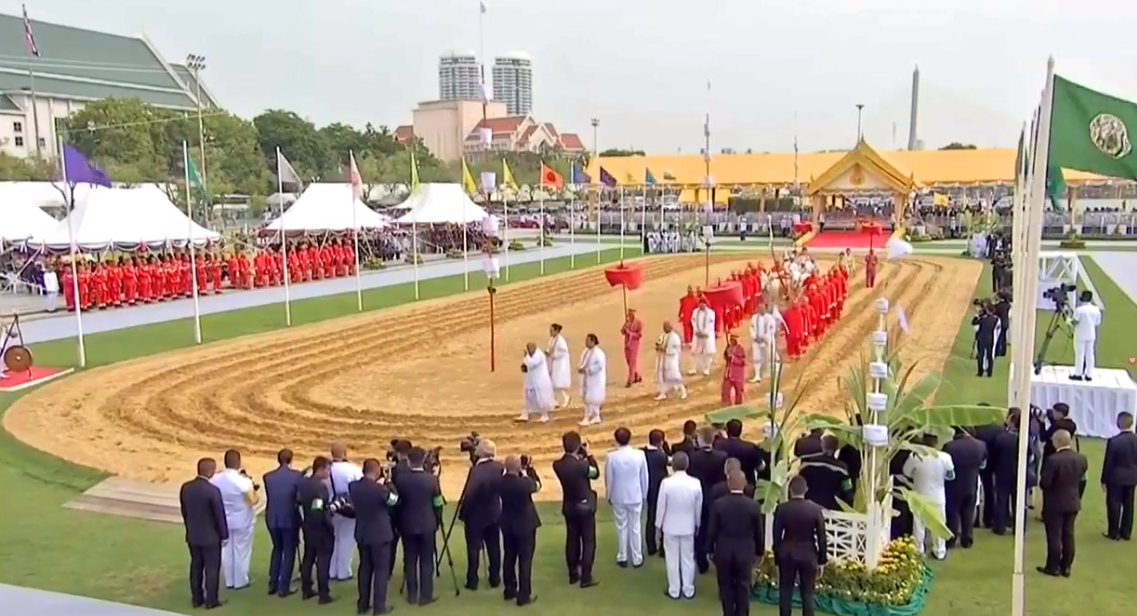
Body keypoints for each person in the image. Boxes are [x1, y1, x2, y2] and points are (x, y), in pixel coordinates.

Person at [706, 469, 762, 616]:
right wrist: (759, 552)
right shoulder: (753, 505)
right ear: (744, 484)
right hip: (745, 552)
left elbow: (712, 530)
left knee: (726, 586)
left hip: (724, 550)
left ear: (728, 484)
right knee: (744, 585)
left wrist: (709, 550)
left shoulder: (719, 504)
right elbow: (758, 532)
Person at [393, 446, 443, 605]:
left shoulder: (401, 480)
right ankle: (426, 595)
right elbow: (438, 502)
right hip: (428, 524)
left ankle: (412, 594)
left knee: (410, 560)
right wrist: (437, 519)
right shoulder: (432, 480)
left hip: (407, 524)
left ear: (408, 461)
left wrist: (397, 521)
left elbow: (396, 503)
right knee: (427, 560)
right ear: (423, 461)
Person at [772, 475, 827, 616]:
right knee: (807, 594)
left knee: (785, 592)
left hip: (787, 554)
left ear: (790, 490)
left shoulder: (782, 509)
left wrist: (777, 558)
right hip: (808, 554)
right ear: (806, 490)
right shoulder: (815, 510)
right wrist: (822, 560)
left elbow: (776, 536)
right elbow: (822, 537)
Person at [348, 458, 397, 615]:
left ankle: (362, 604)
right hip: (380, 535)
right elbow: (394, 501)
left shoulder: (353, 487)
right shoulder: (380, 490)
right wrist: (389, 482)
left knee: (365, 568)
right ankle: (379, 606)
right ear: (377, 471)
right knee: (381, 571)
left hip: (362, 533)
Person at [553, 431, 600, 588]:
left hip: (569, 507)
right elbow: (595, 473)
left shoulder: (558, 465)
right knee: (588, 541)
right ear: (578, 445)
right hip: (585, 507)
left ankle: (573, 574)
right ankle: (586, 576)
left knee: (572, 540)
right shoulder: (583, 465)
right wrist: (589, 455)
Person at [1038, 429, 1088, 577]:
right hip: (1073, 501)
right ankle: (1066, 566)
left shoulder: (1052, 460)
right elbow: (1081, 480)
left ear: (1057, 442)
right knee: (1068, 534)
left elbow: (1045, 483)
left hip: (1055, 503)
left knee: (1054, 535)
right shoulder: (1081, 459)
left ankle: (1053, 566)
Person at [180, 457, 228, 609]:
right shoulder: (212, 491)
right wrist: (224, 535)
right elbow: (219, 515)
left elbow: (184, 511)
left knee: (196, 566)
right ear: (211, 471)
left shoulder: (186, 488)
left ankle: (197, 598)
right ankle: (211, 600)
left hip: (193, 535)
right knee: (212, 568)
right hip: (211, 537)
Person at [655, 452, 703, 600]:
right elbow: (698, 507)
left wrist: (658, 526)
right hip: (688, 526)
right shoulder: (695, 483)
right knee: (688, 558)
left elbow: (661, 507)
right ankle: (688, 589)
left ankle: (674, 590)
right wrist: (697, 523)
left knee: (672, 559)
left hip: (670, 527)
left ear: (673, 465)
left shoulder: (666, 483)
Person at [458, 440, 504, 591]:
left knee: (473, 548)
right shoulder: (499, 467)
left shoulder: (476, 470)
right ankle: (495, 578)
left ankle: (472, 580)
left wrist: (463, 512)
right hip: (494, 513)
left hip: (476, 515)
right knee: (494, 547)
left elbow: (470, 494)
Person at [211, 449, 258, 590]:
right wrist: (254, 490)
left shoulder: (215, 479)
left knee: (227, 551)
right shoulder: (243, 481)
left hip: (224, 520)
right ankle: (241, 581)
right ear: (238, 463)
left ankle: (230, 580)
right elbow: (252, 501)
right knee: (241, 551)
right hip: (242, 520)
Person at [903, 434, 955, 560]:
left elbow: (906, 472)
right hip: (938, 496)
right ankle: (940, 551)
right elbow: (951, 476)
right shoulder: (945, 457)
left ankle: (918, 551)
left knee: (918, 524)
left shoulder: (915, 456)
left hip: (920, 494)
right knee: (938, 523)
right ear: (936, 443)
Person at [605, 427, 649, 568]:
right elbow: (644, 477)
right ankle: (637, 557)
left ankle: (623, 556)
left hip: (618, 495)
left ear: (616, 440)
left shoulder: (611, 457)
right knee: (635, 526)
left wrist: (609, 495)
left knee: (621, 526)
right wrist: (644, 494)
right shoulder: (639, 455)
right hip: (635, 495)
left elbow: (609, 479)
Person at [500, 455, 541, 606]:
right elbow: (537, 485)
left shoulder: (500, 482)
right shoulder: (524, 483)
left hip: (507, 524)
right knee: (525, 561)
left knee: (509, 557)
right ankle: (524, 595)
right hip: (525, 525)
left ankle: (509, 590)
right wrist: (528, 470)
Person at [263, 448, 303, 597]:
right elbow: (298, 497)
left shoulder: (268, 477)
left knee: (277, 549)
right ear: (291, 459)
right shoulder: (297, 476)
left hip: (272, 517)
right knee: (288, 550)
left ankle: (273, 583)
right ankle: (284, 587)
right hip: (289, 518)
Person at [688, 427, 728, 574]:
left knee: (700, 529)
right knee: (717, 528)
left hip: (698, 496)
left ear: (700, 440)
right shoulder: (722, 456)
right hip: (716, 497)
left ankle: (701, 561)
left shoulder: (693, 457)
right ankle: (716, 556)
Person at [298, 456, 336, 604]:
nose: (328, 473)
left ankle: (306, 589)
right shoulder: (320, 488)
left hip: (308, 526)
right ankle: (323, 594)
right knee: (323, 561)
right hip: (320, 528)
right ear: (320, 469)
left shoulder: (305, 484)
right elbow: (318, 509)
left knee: (308, 558)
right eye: (327, 469)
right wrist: (328, 520)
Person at [943, 428, 987, 549]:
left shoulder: (949, 446)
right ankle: (967, 538)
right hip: (971, 482)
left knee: (953, 512)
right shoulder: (981, 445)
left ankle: (951, 538)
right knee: (968, 511)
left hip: (954, 484)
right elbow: (983, 465)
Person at [329, 444, 364, 582]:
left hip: (331, 508)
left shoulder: (327, 468)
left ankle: (332, 570)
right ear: (345, 453)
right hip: (348, 508)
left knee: (334, 539)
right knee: (346, 539)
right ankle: (343, 571)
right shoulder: (353, 469)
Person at [1103, 411, 1137, 540]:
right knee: (1129, 506)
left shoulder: (1114, 441)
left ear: (1119, 423)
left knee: (1114, 504)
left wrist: (1104, 479)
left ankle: (1114, 532)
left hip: (1115, 478)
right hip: (1132, 477)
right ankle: (1126, 532)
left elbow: (1109, 462)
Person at [991, 411, 1027, 535]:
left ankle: (1000, 526)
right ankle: (1019, 527)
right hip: (1019, 472)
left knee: (1002, 499)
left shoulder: (1002, 438)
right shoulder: (1024, 438)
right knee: (1018, 500)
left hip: (1003, 471)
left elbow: (994, 455)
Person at [798, 436, 854, 510]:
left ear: (822, 445)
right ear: (836, 448)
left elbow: (799, 485)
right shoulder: (842, 469)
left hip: (809, 508)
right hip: (831, 510)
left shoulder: (806, 464)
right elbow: (848, 492)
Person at [643, 429, 671, 557]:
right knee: (664, 517)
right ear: (661, 441)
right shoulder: (661, 456)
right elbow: (670, 461)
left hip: (649, 489)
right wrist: (666, 449)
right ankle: (663, 548)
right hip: (660, 489)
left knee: (651, 517)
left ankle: (651, 546)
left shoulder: (643, 453)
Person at [715, 419, 764, 487]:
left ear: (727, 431)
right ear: (740, 431)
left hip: (725, 485)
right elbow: (761, 467)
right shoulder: (750, 447)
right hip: (748, 485)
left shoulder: (718, 445)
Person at [519, 342, 555, 422]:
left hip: (539, 381)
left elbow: (532, 364)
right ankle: (525, 414)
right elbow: (526, 365)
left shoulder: (539, 355)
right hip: (531, 381)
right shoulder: (530, 356)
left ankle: (544, 415)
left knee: (541, 399)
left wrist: (526, 356)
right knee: (528, 397)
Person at [1070, 290, 1102, 381]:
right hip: (1091, 334)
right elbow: (1097, 322)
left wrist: (1069, 321)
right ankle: (1089, 374)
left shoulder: (1079, 310)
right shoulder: (1096, 309)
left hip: (1080, 335)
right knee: (1090, 354)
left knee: (1080, 354)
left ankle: (1078, 373)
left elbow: (1075, 322)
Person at [578, 333, 607, 426]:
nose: (586, 342)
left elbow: (599, 366)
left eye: (588, 340)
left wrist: (587, 370)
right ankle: (593, 416)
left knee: (593, 399)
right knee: (588, 399)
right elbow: (583, 362)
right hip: (587, 379)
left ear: (593, 341)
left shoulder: (599, 353)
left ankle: (590, 417)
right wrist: (581, 368)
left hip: (595, 380)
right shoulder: (586, 351)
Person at [655, 322, 688, 401]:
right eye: (664, 327)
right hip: (663, 359)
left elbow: (675, 350)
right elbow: (659, 343)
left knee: (674, 376)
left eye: (666, 327)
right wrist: (658, 347)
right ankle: (663, 393)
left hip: (671, 360)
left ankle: (682, 391)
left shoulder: (675, 337)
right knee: (661, 376)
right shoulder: (663, 336)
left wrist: (664, 349)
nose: (665, 328)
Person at [689, 297, 717, 376]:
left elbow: (711, 324)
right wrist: (697, 331)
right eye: (700, 305)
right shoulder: (695, 312)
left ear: (705, 304)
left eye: (703, 305)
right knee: (695, 352)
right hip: (697, 335)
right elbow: (693, 321)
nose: (701, 306)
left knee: (707, 353)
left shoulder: (711, 313)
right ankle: (693, 368)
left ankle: (706, 369)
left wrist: (705, 332)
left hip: (707, 336)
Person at [749, 305, 777, 383]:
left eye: (762, 308)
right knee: (757, 358)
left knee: (769, 356)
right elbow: (751, 328)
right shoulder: (754, 318)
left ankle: (770, 372)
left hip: (767, 341)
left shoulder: (770, 318)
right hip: (757, 341)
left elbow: (772, 330)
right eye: (759, 308)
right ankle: (757, 375)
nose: (761, 309)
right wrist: (755, 337)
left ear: (765, 308)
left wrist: (765, 338)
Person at [547, 323, 572, 408]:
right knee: (554, 384)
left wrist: (553, 355)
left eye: (552, 330)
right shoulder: (552, 340)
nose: (550, 332)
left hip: (560, 365)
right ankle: (558, 401)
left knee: (559, 383)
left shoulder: (561, 341)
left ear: (556, 331)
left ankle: (565, 399)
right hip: (554, 364)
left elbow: (563, 352)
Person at [972, 302, 999, 378]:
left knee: (981, 355)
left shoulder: (983, 319)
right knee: (989, 355)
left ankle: (980, 372)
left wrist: (977, 316)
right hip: (990, 338)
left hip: (981, 338)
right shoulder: (995, 319)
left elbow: (974, 322)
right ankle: (990, 372)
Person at [721, 333, 747, 405]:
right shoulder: (728, 347)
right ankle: (726, 403)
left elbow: (743, 361)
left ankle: (739, 404)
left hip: (737, 375)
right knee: (725, 390)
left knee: (739, 391)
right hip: (728, 373)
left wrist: (732, 357)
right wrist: (727, 353)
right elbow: (726, 357)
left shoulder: (741, 349)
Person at [621, 308, 644, 387]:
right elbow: (622, 331)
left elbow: (639, 335)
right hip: (627, 344)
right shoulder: (627, 322)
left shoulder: (638, 322)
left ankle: (630, 380)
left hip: (634, 344)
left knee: (632, 362)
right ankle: (636, 376)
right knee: (628, 361)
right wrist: (624, 330)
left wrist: (630, 333)